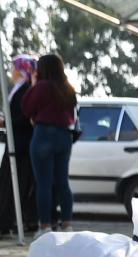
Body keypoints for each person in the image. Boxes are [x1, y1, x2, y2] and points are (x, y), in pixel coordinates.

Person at [22, 54, 76, 237]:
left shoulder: (42, 87)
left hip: (43, 134)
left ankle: (45, 227)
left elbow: (26, 108)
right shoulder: (68, 88)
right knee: (62, 182)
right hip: (64, 136)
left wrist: (34, 83)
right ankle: (68, 224)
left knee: (43, 183)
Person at [0, 55, 37, 237]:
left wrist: (6, 123)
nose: (12, 71)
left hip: (21, 146)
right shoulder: (20, 88)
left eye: (14, 68)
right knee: (7, 184)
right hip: (15, 141)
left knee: (15, 185)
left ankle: (7, 222)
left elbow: (24, 118)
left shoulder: (26, 89)